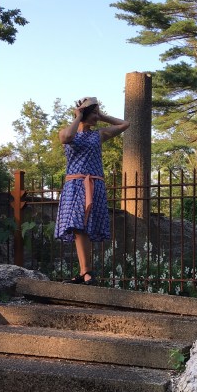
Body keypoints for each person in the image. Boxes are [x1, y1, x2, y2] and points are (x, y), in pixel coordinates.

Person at [54, 96, 130, 285]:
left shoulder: (99, 134)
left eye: (97, 113)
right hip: (75, 185)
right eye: (94, 113)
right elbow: (67, 138)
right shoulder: (68, 133)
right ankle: (86, 272)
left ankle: (85, 272)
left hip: (94, 185)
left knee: (85, 227)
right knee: (79, 226)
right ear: (84, 113)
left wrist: (101, 115)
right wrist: (79, 116)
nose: (96, 117)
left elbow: (125, 124)